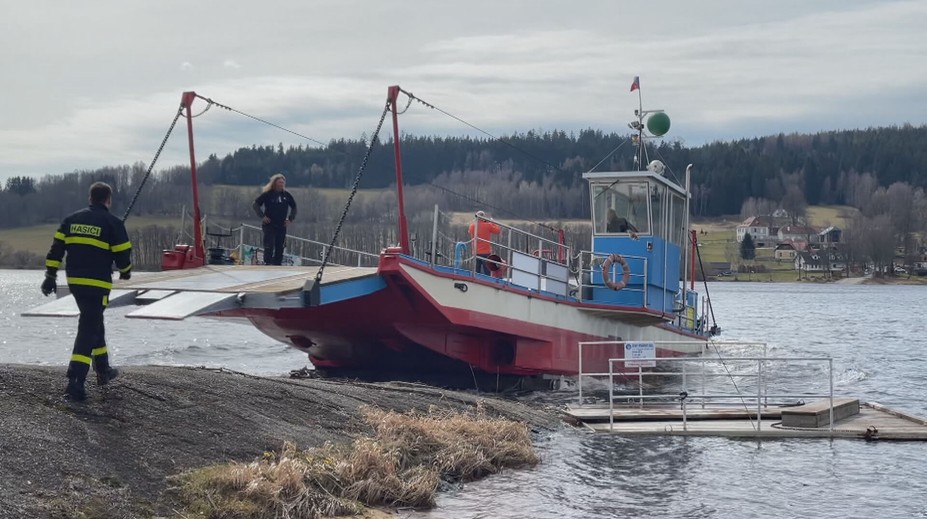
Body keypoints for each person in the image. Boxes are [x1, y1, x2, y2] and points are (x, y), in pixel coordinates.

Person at [41, 181, 132, 401]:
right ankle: (75, 382)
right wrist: (126, 272)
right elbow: (123, 257)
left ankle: (103, 370)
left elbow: (55, 250)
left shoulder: (71, 220)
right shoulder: (113, 223)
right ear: (108, 200)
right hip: (98, 283)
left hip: (75, 282)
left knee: (93, 321)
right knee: (88, 326)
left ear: (90, 198)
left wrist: (50, 276)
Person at [252, 173, 297, 265]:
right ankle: (267, 264)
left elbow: (294, 207)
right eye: (279, 182)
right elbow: (255, 204)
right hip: (269, 224)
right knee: (269, 245)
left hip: (281, 225)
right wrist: (262, 216)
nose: (281, 184)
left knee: (280, 246)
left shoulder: (286, 195)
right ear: (275, 183)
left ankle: (277, 265)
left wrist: (290, 219)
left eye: (283, 182)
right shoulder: (268, 194)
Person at [467, 210, 501, 275]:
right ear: (484, 217)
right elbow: (497, 231)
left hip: (475, 252)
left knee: (476, 272)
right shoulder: (488, 225)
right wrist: (492, 222)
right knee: (487, 272)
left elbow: (470, 231)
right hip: (486, 252)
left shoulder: (472, 226)